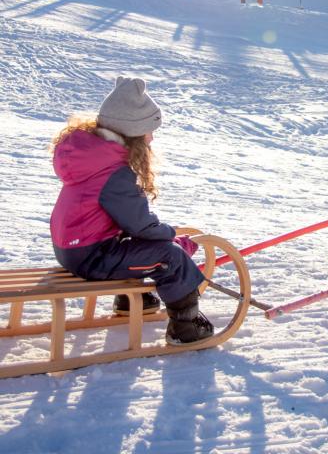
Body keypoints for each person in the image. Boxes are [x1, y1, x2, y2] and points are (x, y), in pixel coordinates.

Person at [49, 76, 213, 345]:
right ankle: (187, 328)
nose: (151, 138)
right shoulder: (113, 171)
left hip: (72, 249)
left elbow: (126, 222)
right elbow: (141, 225)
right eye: (149, 131)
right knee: (170, 255)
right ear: (132, 133)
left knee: (135, 242)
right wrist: (173, 238)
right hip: (91, 258)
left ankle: (132, 301)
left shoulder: (93, 156)